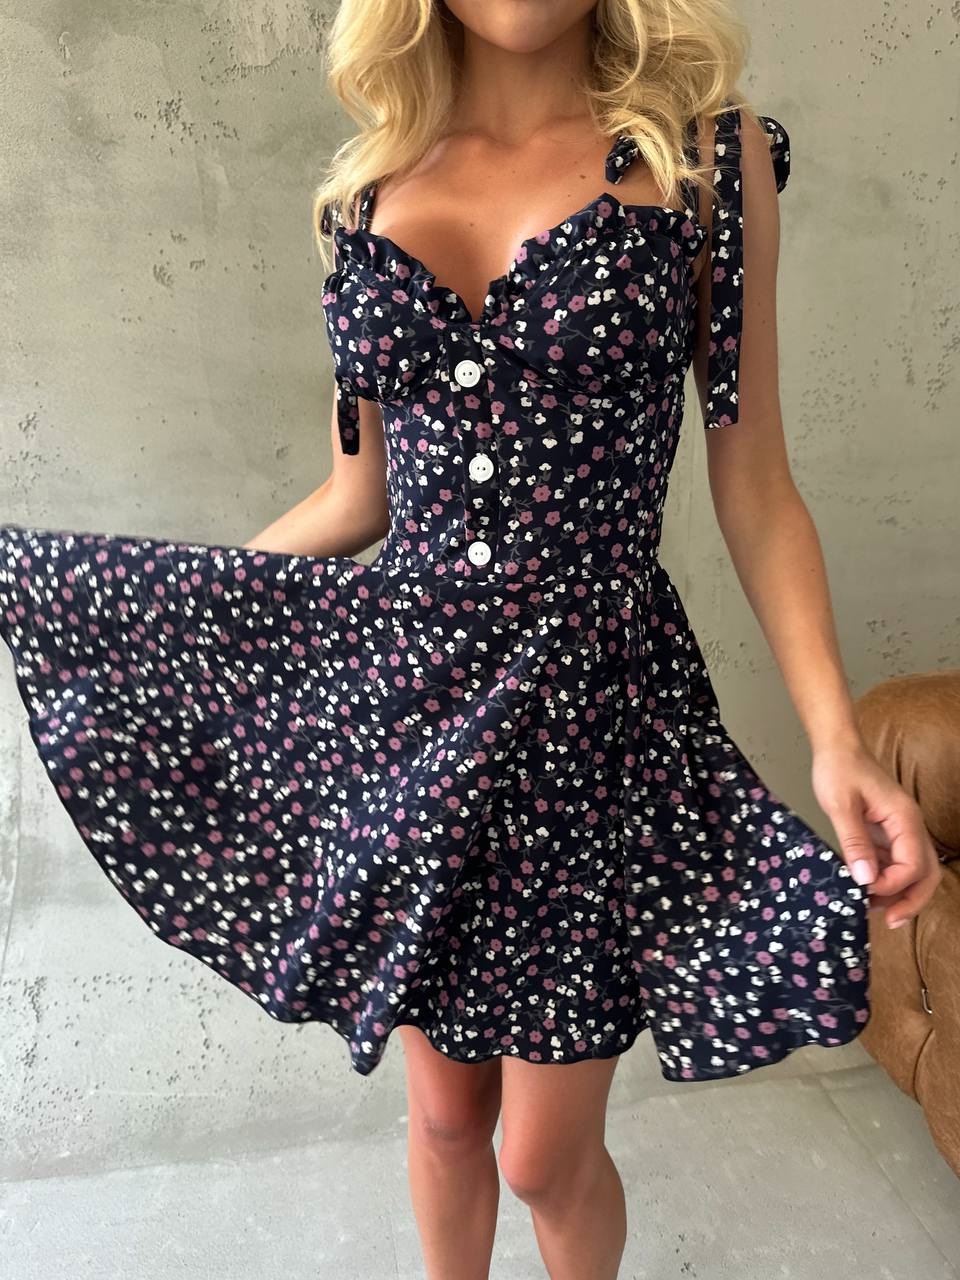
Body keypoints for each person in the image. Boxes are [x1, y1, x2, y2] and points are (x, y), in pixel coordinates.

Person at [0, 2, 942, 1278]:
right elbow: (357, 501)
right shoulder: (367, 197)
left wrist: (835, 738)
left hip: (590, 720)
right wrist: (171, 621)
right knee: (444, 1117)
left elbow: (757, 483)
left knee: (543, 1155)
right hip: (413, 712)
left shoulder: (702, 160)